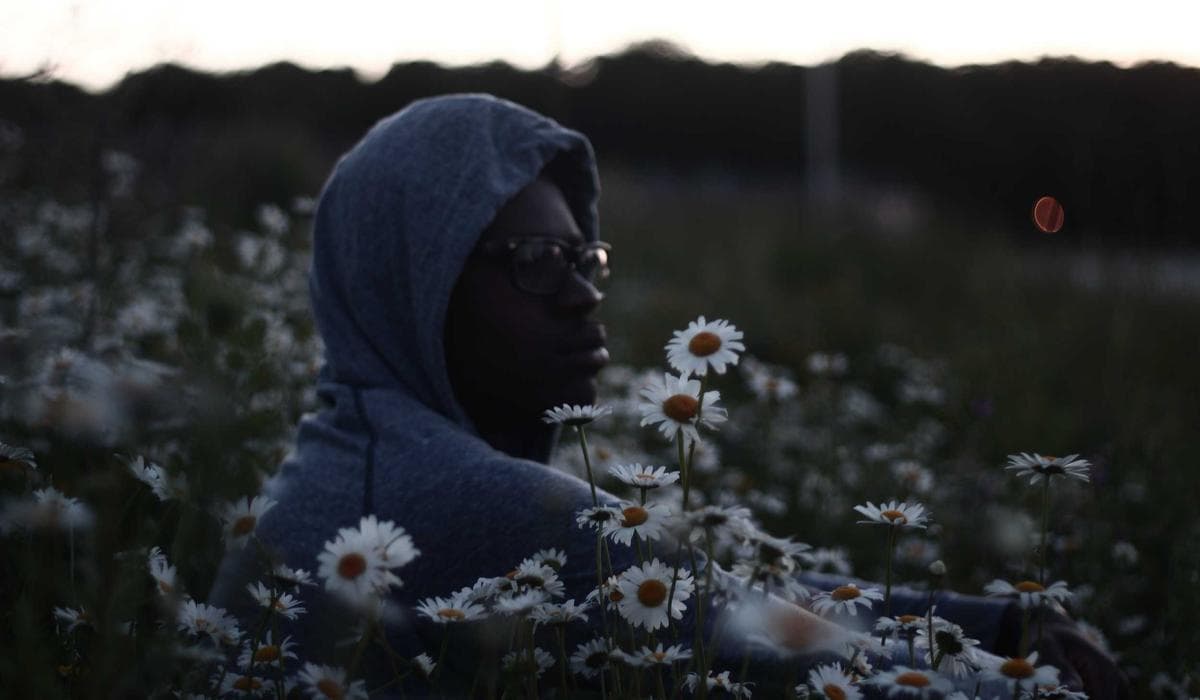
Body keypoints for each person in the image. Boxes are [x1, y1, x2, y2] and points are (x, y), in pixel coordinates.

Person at [211, 93, 1124, 697]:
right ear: (413, 283)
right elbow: (797, 658)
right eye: (533, 263)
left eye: (585, 257)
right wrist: (1034, 679)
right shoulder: (471, 503)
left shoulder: (345, 458)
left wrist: (995, 620)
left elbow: (733, 593)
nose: (582, 293)